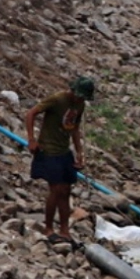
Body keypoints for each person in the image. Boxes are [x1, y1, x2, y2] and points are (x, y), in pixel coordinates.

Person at [24, 77, 94, 243]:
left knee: (65, 190)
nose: (80, 99)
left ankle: (64, 230)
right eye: (79, 96)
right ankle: (48, 228)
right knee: (55, 190)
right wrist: (32, 139)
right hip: (49, 150)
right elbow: (31, 113)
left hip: (64, 151)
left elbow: (75, 128)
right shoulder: (57, 99)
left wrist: (79, 151)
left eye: (83, 98)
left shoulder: (80, 105)